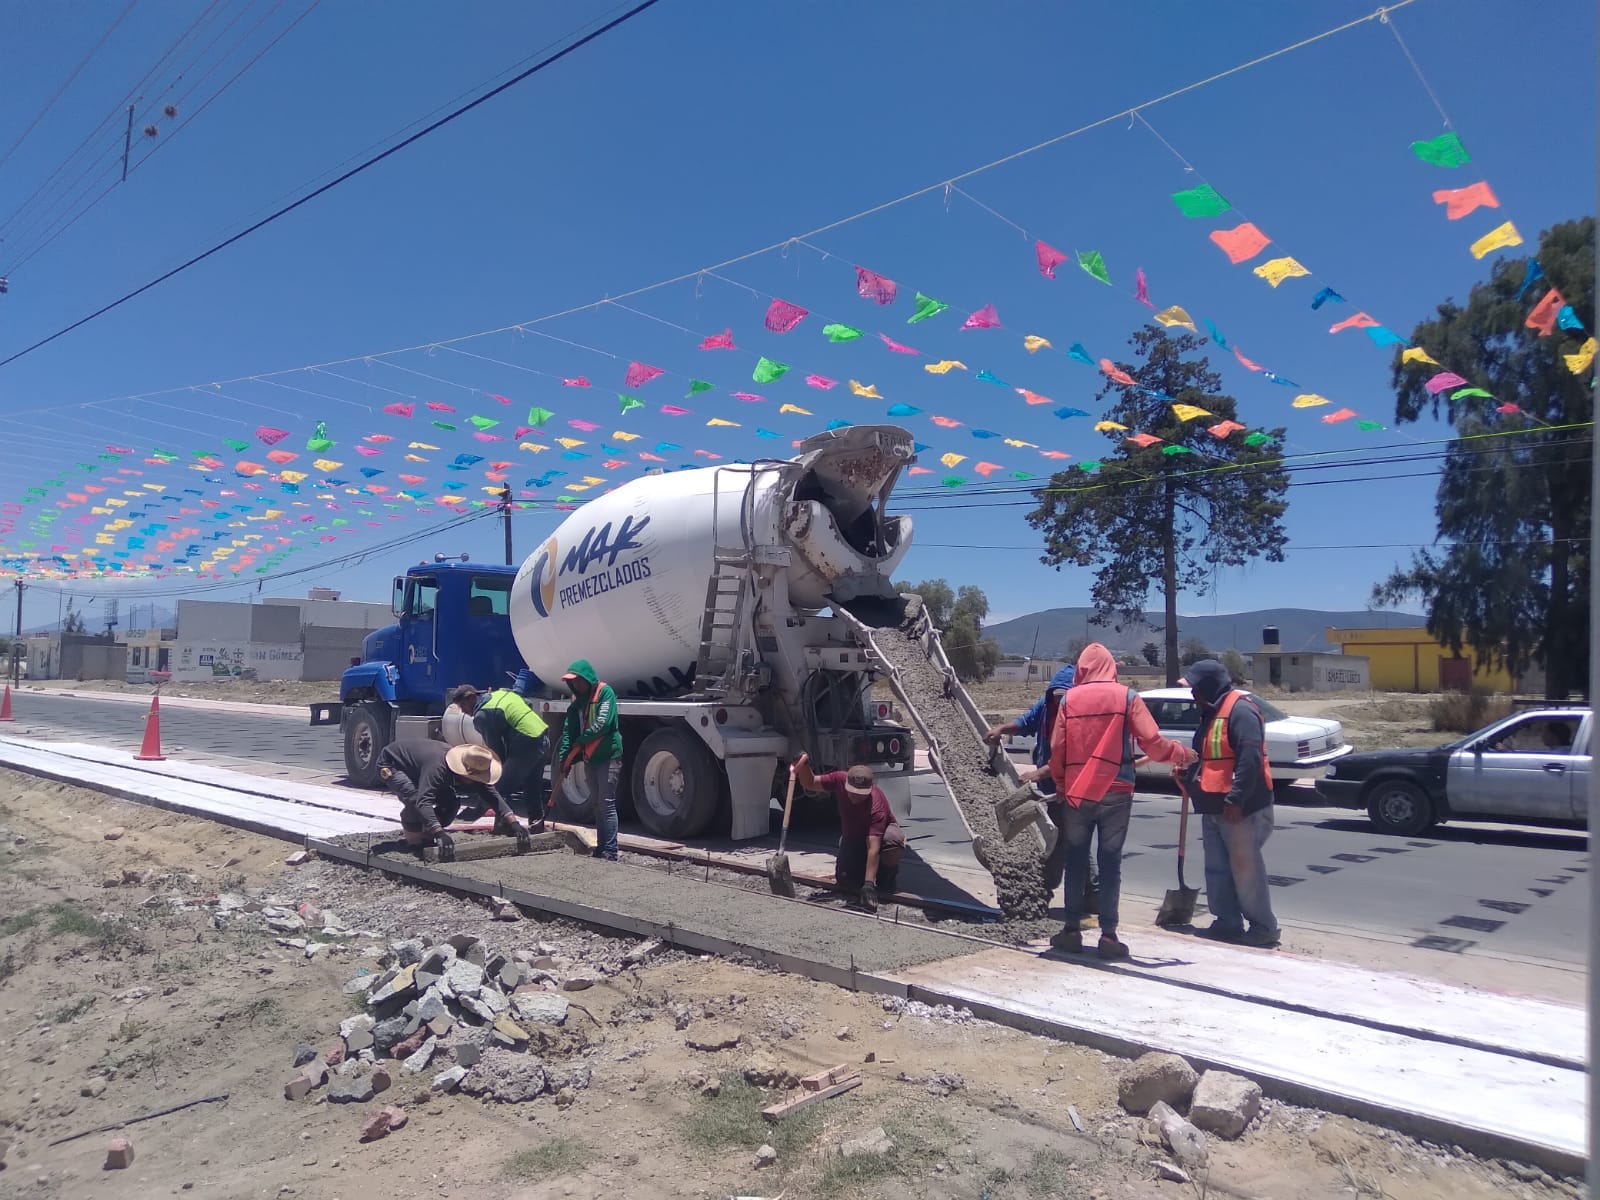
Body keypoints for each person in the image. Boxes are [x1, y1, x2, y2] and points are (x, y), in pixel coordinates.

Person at [1046, 643, 1196, 959]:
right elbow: (1152, 743)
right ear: (1111, 668)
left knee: (1075, 860)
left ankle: (1071, 931)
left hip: (1077, 792)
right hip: (1117, 791)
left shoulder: (1070, 700)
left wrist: (1061, 784)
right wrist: (1179, 754)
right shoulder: (1127, 697)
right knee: (1110, 862)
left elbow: (1057, 748)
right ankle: (1109, 936)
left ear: (1083, 669)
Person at [1183, 659, 1280, 948]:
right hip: (1214, 806)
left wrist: (1236, 799)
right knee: (1217, 868)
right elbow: (1211, 757)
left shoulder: (1241, 711)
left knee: (1245, 869)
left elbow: (1249, 759)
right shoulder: (1211, 712)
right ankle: (1226, 921)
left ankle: (1263, 928)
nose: (1192, 695)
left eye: (1195, 689)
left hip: (1240, 808)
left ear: (1208, 686)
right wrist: (1189, 774)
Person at [985, 665, 1097, 910]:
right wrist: (1003, 729)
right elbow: (1025, 723)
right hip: (1048, 789)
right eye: (1056, 697)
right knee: (1070, 839)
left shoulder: (1080, 718)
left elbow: (1071, 759)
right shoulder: (1046, 707)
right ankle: (1089, 893)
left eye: (1064, 697)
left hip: (1070, 789)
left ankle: (1045, 889)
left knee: (1063, 840)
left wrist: (1038, 773)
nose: (1060, 702)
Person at [376, 739, 525, 859]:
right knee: (415, 800)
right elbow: (424, 801)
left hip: (418, 769)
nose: (476, 781)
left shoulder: (470, 764)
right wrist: (439, 832)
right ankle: (414, 842)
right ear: (463, 771)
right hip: (392, 764)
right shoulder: (438, 768)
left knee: (450, 802)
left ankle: (427, 835)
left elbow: (490, 794)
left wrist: (513, 822)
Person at [793, 753, 904, 911]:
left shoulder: (876, 806)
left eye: (860, 795)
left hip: (878, 837)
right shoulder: (839, 779)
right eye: (852, 792)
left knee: (893, 840)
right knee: (846, 880)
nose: (855, 797)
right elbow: (810, 783)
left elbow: (873, 848)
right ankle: (860, 868)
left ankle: (887, 878)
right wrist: (804, 766)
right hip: (853, 836)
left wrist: (868, 885)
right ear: (846, 784)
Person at [447, 684, 552, 828]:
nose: (464, 712)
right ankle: (536, 824)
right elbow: (527, 703)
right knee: (531, 786)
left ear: (471, 698)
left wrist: (494, 775)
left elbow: (496, 752)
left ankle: (502, 826)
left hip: (526, 742)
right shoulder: (501, 694)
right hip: (542, 735)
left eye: (463, 706)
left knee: (500, 787)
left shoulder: (482, 715)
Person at [553, 659, 622, 861]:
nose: (576, 685)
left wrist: (580, 743)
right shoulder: (577, 702)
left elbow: (603, 723)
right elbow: (569, 731)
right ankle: (601, 848)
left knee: (606, 803)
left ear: (587, 679)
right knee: (596, 804)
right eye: (573, 683)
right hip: (591, 758)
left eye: (579, 681)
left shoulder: (604, 692)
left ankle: (610, 850)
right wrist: (565, 758)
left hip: (608, 755)